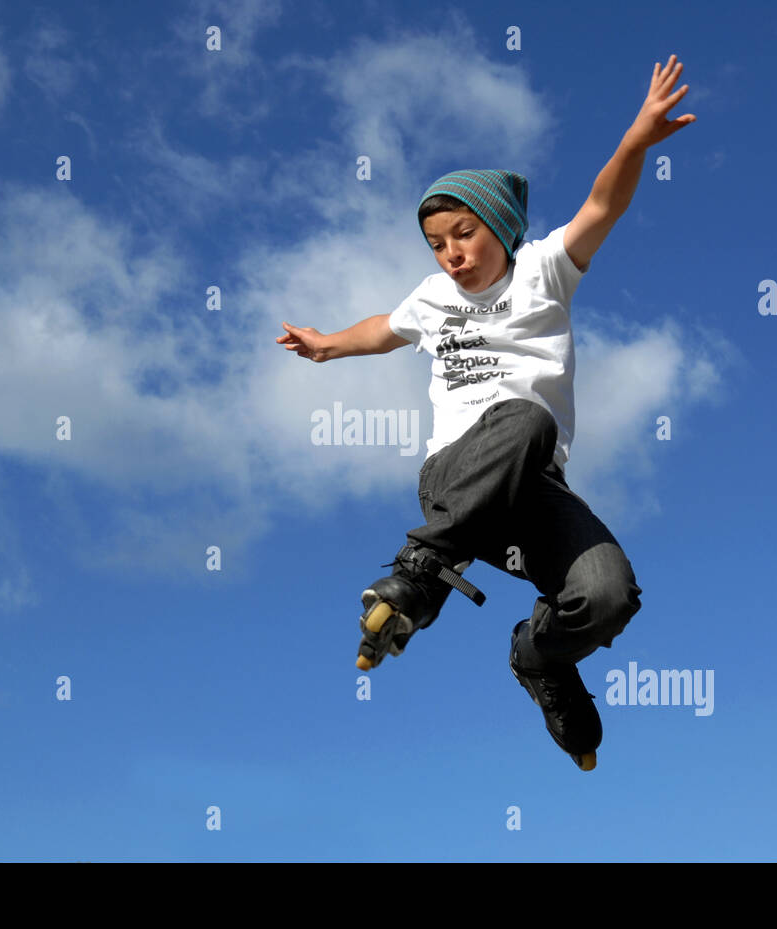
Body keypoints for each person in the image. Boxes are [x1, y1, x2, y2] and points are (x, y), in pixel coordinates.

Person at [276, 56, 696, 771]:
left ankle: (540, 659)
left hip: (534, 490)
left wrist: (634, 140)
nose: (450, 256)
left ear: (501, 228)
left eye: (463, 235)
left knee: (608, 594)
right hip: (455, 478)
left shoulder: (544, 270)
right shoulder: (432, 299)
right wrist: (328, 347)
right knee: (522, 416)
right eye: (437, 244)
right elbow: (385, 326)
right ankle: (422, 567)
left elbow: (604, 205)